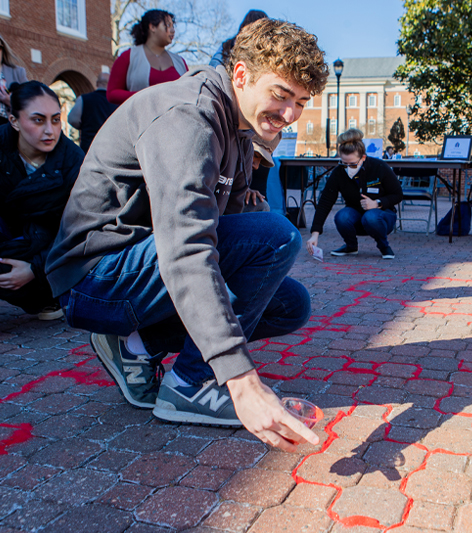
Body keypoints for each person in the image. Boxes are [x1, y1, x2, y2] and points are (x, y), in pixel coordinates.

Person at [46, 19, 329, 450]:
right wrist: (241, 379)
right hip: (94, 277)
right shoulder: (189, 116)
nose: (290, 115)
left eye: (301, 102)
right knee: (278, 236)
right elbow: (188, 248)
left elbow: (223, 238)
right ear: (241, 76)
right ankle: (190, 385)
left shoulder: (239, 134)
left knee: (289, 304)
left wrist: (246, 209)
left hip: (140, 269)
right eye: (280, 95)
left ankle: (137, 343)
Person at [0, 82, 84, 321]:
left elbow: (81, 230)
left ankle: (48, 298)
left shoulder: (72, 161)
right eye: (38, 120)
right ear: (14, 121)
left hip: (47, 253)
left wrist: (33, 269)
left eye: (56, 120)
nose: (50, 130)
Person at [306, 128, 403, 259]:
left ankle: (384, 246)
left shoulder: (379, 167)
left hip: (382, 216)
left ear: (363, 158)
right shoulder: (339, 172)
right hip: (356, 216)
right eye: (343, 163)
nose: (347, 168)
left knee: (371, 216)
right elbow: (325, 202)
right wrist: (315, 233)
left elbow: (398, 194)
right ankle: (351, 246)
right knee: (342, 216)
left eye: (352, 164)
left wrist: (377, 203)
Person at [107, 9, 188, 105]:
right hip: (140, 118)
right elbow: (112, 94)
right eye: (168, 25)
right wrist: (147, 96)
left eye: (173, 26)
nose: (173, 30)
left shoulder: (180, 62)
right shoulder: (128, 57)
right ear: (152, 27)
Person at [67, 72, 119, 152]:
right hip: (110, 148)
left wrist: (85, 125)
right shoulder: (117, 103)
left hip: (89, 146)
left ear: (97, 83)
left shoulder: (84, 99)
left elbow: (72, 120)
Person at [0, 35, 27, 125]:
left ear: (3, 49)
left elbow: (31, 102)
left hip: (10, 126)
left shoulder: (18, 72)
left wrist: (11, 101)